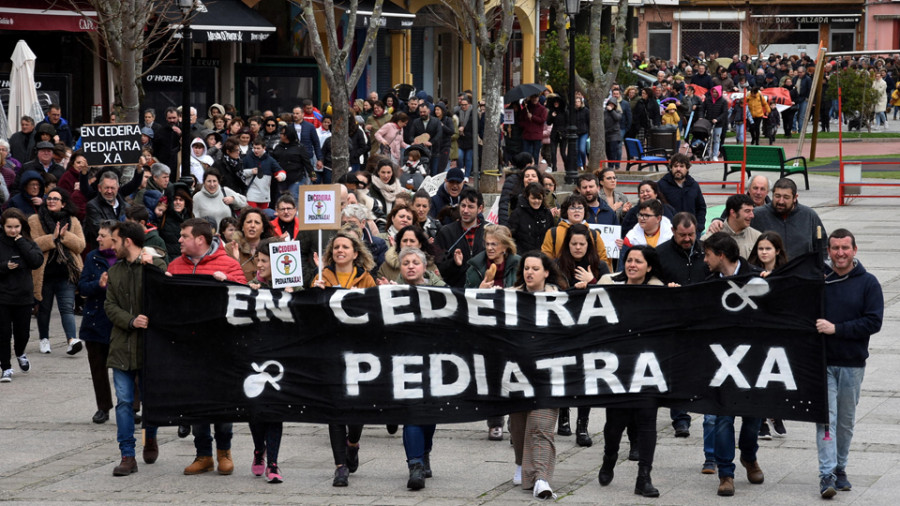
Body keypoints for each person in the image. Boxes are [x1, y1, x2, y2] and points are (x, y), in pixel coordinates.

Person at [167, 217, 246, 476]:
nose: (179, 240)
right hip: (189, 349)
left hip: (221, 348)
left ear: (200, 240)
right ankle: (203, 454)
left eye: (184, 235)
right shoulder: (176, 266)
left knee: (222, 401)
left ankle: (224, 452)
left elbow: (245, 300)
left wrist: (230, 284)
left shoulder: (229, 265)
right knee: (197, 401)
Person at [814, 229, 883, 498]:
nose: (840, 253)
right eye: (835, 248)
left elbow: (873, 322)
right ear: (828, 251)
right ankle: (827, 474)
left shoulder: (868, 283)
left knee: (844, 421)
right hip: (823, 363)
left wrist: (837, 329)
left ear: (855, 250)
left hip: (852, 364)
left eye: (845, 248)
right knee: (826, 420)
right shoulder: (820, 280)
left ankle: (841, 467)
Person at [375, 247, 446, 489]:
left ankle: (425, 452)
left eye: (416, 262)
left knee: (429, 414)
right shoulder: (389, 293)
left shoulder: (440, 292)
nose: (411, 266)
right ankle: (414, 464)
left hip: (434, 362)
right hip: (403, 364)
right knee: (412, 412)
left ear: (424, 267)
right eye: (406, 262)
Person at [597, 245, 664, 498]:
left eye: (638, 261)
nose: (632, 265)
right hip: (616, 367)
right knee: (614, 424)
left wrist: (677, 296)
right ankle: (609, 456)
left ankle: (643, 477)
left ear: (649, 266)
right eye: (629, 260)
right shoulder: (608, 282)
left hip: (647, 367)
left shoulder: (659, 289)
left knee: (647, 422)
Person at [310, 228, 375, 487]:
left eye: (345, 247)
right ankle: (340, 467)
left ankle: (353, 443)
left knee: (356, 409)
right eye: (336, 247)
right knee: (334, 409)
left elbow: (375, 314)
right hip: (331, 351)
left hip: (359, 352)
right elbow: (310, 318)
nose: (339, 250)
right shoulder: (320, 277)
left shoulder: (366, 279)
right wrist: (315, 294)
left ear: (355, 253)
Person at [702, 232, 764, 497]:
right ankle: (726, 473)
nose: (705, 260)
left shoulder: (757, 279)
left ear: (721, 255)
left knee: (753, 417)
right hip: (722, 363)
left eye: (707, 255)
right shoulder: (708, 285)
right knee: (723, 418)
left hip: (754, 361)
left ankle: (749, 456)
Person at [105, 221, 168, 476]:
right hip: (121, 346)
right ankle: (127, 455)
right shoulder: (116, 270)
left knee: (151, 400)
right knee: (124, 402)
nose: (112, 245)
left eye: (115, 241)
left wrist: (153, 266)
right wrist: (131, 320)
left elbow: (166, 292)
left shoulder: (152, 264)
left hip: (149, 346)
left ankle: (149, 436)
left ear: (127, 241)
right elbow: (110, 306)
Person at [508, 251, 566, 499]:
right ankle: (522, 464)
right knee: (518, 426)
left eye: (534, 268)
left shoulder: (560, 299)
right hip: (517, 375)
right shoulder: (510, 297)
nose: (529, 272)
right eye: (526, 268)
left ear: (546, 272)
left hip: (548, 376)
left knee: (542, 427)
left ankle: (542, 478)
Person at [464, 224, 520, 441]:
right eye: (487, 244)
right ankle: (495, 422)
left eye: (494, 244)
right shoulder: (475, 267)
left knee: (514, 375)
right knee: (493, 375)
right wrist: (480, 290)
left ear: (505, 247)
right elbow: (464, 296)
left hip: (511, 327)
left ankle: (517, 423)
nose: (489, 248)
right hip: (486, 329)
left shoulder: (519, 265)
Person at [77, 221, 126, 423]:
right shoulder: (92, 257)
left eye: (102, 235)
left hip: (120, 321)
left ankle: (132, 406)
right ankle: (103, 407)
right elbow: (82, 287)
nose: (98, 239)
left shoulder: (125, 258)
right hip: (96, 320)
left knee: (126, 366)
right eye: (98, 234)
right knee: (98, 367)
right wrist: (98, 284)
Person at [29, 188, 85, 355]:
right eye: (49, 198)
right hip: (44, 274)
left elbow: (80, 246)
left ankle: (71, 340)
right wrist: (52, 238)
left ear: (63, 203)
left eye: (56, 199)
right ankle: (44, 339)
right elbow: (31, 245)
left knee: (67, 308)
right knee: (44, 309)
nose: (51, 201)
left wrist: (64, 235)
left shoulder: (73, 221)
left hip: (66, 273)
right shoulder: (35, 220)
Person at [0, 209, 44, 382]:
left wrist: (21, 242)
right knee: (3, 333)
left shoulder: (27, 241)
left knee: (22, 333)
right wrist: (4, 266)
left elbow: (36, 261)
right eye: (9, 227)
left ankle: (20, 352)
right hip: (2, 296)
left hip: (23, 296)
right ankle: (6, 367)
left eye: (16, 227)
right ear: (3, 226)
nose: (13, 230)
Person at [750, 178, 826, 261]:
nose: (781, 201)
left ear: (795, 197)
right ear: (772, 195)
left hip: (801, 272)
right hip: (769, 272)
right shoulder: (757, 215)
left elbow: (822, 246)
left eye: (786, 197)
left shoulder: (809, 215)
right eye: (777, 196)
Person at [541, 193, 613, 272]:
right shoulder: (553, 232)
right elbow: (546, 259)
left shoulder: (594, 234)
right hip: (561, 277)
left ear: (585, 211)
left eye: (580, 208)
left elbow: (603, 260)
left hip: (589, 277)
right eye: (572, 208)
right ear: (566, 211)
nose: (576, 210)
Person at [435, 188, 484, 288]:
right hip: (456, 292)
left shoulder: (489, 231)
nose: (466, 211)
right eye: (463, 206)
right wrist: (454, 263)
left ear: (480, 208)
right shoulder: (446, 232)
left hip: (483, 291)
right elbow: (439, 266)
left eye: (470, 207)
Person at [657, 153, 707, 234]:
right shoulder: (662, 185)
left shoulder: (694, 185)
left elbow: (701, 207)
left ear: (687, 168)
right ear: (671, 168)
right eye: (675, 166)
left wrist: (699, 226)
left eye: (681, 166)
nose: (678, 169)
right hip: (669, 231)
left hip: (691, 230)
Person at [701, 194, 759, 258]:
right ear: (733, 212)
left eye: (752, 211)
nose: (752, 215)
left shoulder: (757, 237)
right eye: (747, 211)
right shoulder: (709, 238)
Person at [84, 171, 128, 254]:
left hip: (123, 252)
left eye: (112, 188)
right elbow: (100, 229)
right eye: (106, 188)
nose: (109, 191)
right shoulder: (92, 206)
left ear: (118, 189)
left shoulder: (126, 207)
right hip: (103, 253)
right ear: (99, 188)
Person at [227, 207, 275, 282]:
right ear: (242, 227)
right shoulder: (230, 248)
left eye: (257, 222)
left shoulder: (272, 248)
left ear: (262, 229)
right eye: (249, 222)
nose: (252, 225)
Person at [271, 125, 314, 203]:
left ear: (287, 135)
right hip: (281, 178)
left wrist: (313, 175)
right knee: (281, 198)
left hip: (296, 177)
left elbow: (307, 163)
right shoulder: (278, 147)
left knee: (293, 196)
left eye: (282, 133)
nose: (280, 135)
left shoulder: (299, 147)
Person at [508, 182, 555, 255]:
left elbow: (551, 235)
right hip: (523, 256)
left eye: (539, 198)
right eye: (533, 198)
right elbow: (511, 236)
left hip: (543, 256)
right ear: (527, 197)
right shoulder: (517, 214)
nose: (536, 201)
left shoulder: (547, 213)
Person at [242, 138, 284, 209]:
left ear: (264, 148)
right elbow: (240, 172)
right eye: (254, 148)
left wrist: (281, 176)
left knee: (263, 217)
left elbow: (281, 171)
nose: (255, 150)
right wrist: (251, 171)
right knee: (252, 214)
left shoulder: (270, 160)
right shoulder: (247, 158)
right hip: (251, 193)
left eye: (258, 148)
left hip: (264, 194)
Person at [158, 187, 194, 261]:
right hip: (167, 260)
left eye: (181, 200)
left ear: (185, 202)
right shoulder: (163, 217)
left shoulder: (191, 218)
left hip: (185, 261)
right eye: (175, 199)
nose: (178, 202)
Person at [701, 86, 729, 161]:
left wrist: (717, 119)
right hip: (708, 122)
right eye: (713, 92)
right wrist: (701, 117)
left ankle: (715, 155)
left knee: (716, 139)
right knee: (708, 139)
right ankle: (708, 154)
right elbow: (702, 108)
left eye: (716, 92)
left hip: (718, 124)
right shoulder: (708, 100)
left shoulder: (723, 101)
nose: (714, 93)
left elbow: (725, 112)